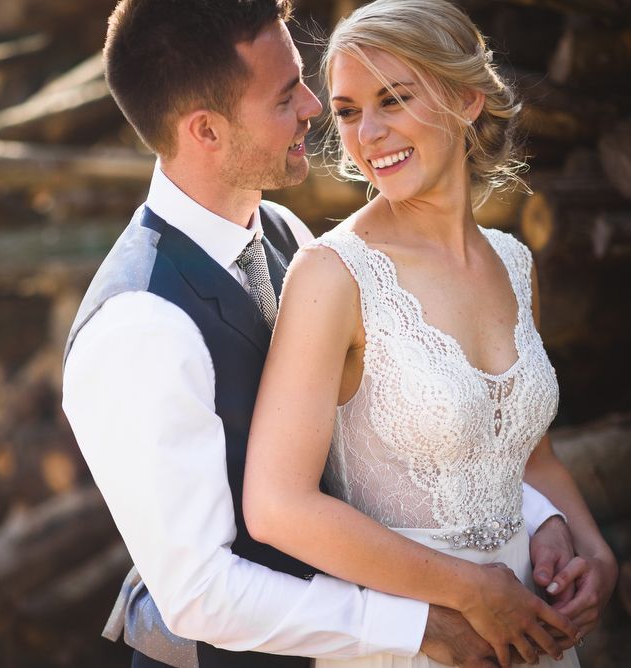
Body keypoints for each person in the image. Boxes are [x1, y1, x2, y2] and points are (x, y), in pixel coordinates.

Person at [61, 1, 590, 667]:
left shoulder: (286, 236)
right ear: (206, 130)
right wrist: (418, 626)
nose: (314, 107)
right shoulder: (137, 326)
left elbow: (395, 452)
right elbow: (200, 594)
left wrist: (544, 519)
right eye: (286, 97)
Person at [243, 1, 618, 666]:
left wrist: (592, 550)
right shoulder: (333, 276)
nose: (369, 133)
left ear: (468, 99)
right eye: (351, 110)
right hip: (416, 644)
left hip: (533, 633)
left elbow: (529, 457)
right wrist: (472, 592)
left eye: (394, 100)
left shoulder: (513, 262)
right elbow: (276, 505)